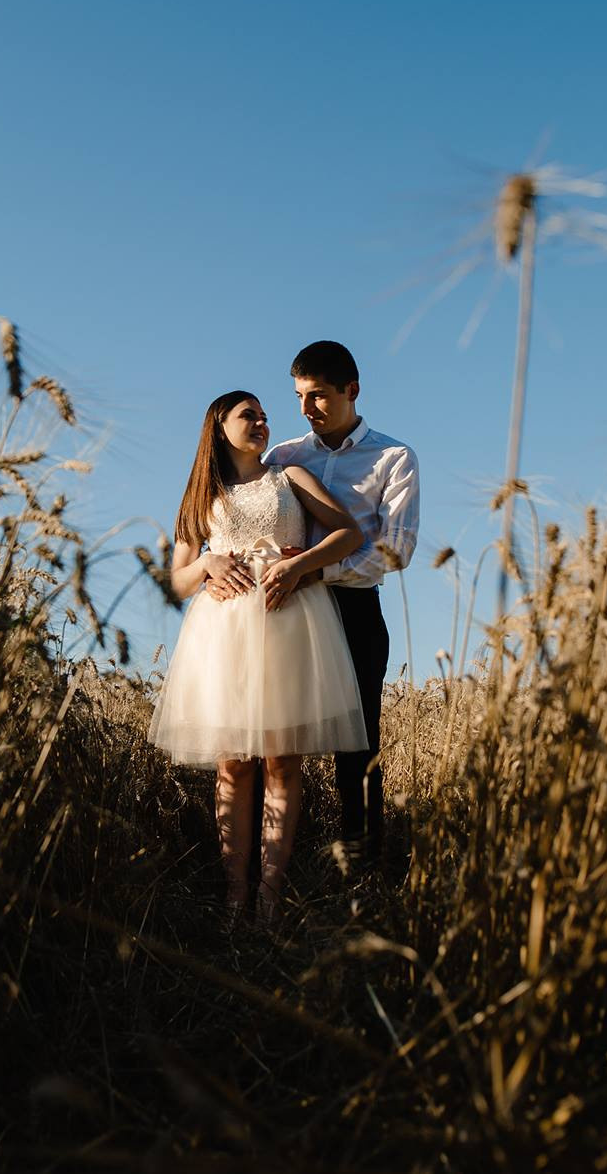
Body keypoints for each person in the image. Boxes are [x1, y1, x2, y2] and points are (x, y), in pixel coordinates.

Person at [147, 390, 370, 925]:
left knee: (282, 761)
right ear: (219, 427)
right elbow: (175, 582)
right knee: (233, 764)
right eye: (249, 415)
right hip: (224, 634)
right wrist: (207, 564)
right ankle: (235, 893)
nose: (262, 422)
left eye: (265, 416)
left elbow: (349, 533)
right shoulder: (202, 496)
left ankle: (270, 896)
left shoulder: (290, 477)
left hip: (289, 621)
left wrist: (301, 565)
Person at [220, 341, 418, 864]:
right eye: (299, 397)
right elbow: (239, 511)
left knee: (357, 742)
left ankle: (360, 865)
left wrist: (315, 570)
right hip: (280, 612)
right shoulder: (285, 456)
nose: (307, 408)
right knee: (269, 736)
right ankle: (270, 865)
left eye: (319, 396)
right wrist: (212, 565)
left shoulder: (393, 458)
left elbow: (395, 549)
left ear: (352, 390)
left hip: (352, 610)